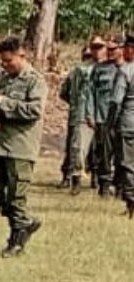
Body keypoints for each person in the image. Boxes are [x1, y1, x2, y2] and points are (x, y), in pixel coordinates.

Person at [0, 36, 47, 257]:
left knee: (17, 197)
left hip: (21, 147)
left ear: (22, 55)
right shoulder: (5, 81)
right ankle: (25, 221)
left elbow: (34, 111)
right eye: (3, 62)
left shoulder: (35, 81)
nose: (5, 65)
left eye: (9, 61)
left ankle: (16, 242)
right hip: (1, 145)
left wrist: (4, 103)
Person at [58, 44, 96, 194]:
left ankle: (72, 178)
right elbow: (64, 92)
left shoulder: (76, 71)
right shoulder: (79, 71)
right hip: (80, 114)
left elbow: (63, 93)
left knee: (76, 148)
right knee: (77, 149)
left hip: (79, 114)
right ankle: (73, 179)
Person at [88, 35, 120, 197]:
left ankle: (121, 186)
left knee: (123, 155)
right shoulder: (99, 69)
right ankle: (105, 185)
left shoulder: (128, 69)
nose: (110, 52)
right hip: (103, 117)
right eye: (108, 49)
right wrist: (90, 114)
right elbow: (91, 93)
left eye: (114, 49)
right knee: (104, 153)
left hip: (124, 119)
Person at [110, 37, 134, 219]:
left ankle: (132, 203)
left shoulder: (125, 71)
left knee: (127, 164)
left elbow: (116, 101)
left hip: (128, 124)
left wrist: (111, 123)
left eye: (125, 48)